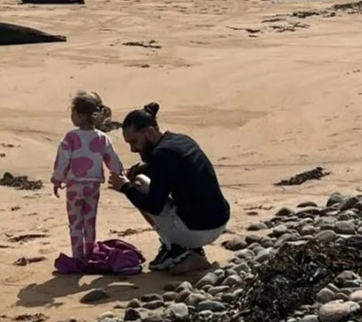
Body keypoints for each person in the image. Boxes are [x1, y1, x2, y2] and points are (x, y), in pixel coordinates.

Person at [108, 102, 230, 272]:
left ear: (149, 132)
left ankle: (177, 248)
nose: (133, 149)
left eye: (135, 142)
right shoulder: (180, 140)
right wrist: (137, 170)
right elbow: (166, 168)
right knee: (142, 180)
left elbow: (154, 206)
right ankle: (186, 248)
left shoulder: (161, 155)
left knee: (138, 186)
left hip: (198, 231)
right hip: (220, 220)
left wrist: (125, 187)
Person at [51, 91, 124, 259]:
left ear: (82, 116)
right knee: (90, 220)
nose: (72, 117)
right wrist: (119, 173)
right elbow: (112, 159)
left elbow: (63, 159)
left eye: (73, 113)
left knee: (75, 222)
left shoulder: (71, 137)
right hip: (93, 185)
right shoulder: (102, 138)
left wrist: (57, 179)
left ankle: (78, 256)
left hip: (75, 185)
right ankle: (89, 252)